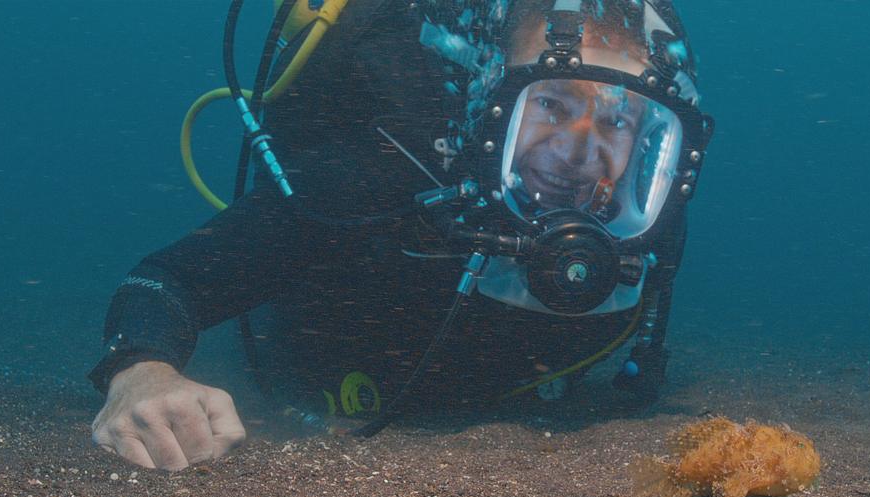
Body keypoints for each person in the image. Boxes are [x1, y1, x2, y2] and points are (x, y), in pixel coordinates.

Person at [89, 0, 714, 470]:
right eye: (551, 104)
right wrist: (142, 372)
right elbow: (168, 280)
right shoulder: (378, 181)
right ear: (492, 96)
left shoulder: (646, 236)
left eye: (617, 120)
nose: (579, 150)